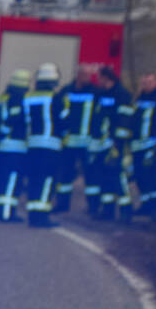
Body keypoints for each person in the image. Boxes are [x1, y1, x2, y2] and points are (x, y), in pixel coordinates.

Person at [24, 63, 64, 228]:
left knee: (34, 179)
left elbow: (26, 120)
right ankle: (42, 217)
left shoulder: (28, 96)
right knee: (47, 181)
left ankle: (33, 215)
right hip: (50, 146)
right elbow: (64, 120)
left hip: (32, 144)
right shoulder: (56, 98)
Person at [92, 67, 135, 222]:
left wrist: (118, 143)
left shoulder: (122, 94)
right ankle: (107, 210)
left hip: (116, 144)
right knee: (105, 177)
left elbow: (125, 120)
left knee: (118, 176)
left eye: (99, 78)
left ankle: (126, 210)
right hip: (103, 144)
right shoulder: (101, 94)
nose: (98, 81)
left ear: (105, 78)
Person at [0, 69, 30, 222]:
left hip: (1, 148)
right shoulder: (20, 100)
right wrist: (4, 131)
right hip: (16, 148)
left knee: (1, 179)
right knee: (13, 181)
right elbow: (15, 120)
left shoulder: (2, 99)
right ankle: (7, 213)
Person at [55, 67, 97, 213]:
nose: (87, 78)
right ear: (78, 75)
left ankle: (93, 206)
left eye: (88, 75)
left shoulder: (95, 92)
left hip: (87, 142)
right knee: (65, 174)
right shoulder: (66, 90)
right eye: (84, 74)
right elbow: (57, 110)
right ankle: (62, 204)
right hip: (69, 141)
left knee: (90, 176)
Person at [130, 72, 156, 220]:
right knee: (140, 177)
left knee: (154, 178)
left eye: (149, 82)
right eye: (144, 83)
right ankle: (146, 205)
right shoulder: (139, 99)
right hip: (137, 145)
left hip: (153, 145)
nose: (146, 85)